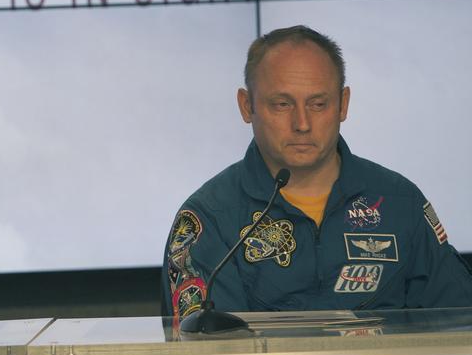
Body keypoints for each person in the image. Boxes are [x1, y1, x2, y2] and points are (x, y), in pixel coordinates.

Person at [163, 25, 472, 325]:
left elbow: (460, 326)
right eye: (282, 104)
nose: (302, 123)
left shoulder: (399, 202)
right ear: (247, 106)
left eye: (318, 104)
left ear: (343, 104)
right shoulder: (209, 217)